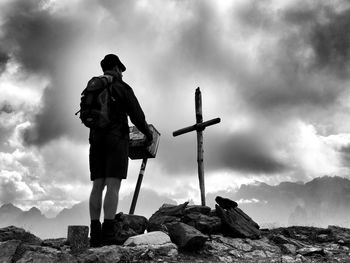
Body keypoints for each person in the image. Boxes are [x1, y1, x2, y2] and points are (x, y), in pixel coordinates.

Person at [89, 54, 153, 247]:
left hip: (96, 139)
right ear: (116, 68)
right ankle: (108, 233)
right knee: (113, 185)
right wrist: (148, 135)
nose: (122, 73)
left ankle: (95, 232)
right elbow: (136, 115)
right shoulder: (121, 87)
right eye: (121, 69)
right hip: (116, 140)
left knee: (97, 185)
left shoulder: (94, 86)